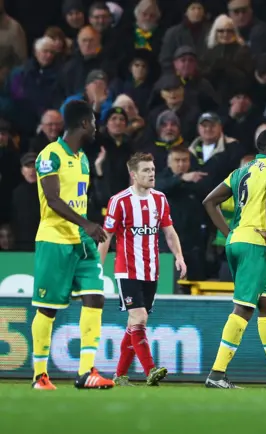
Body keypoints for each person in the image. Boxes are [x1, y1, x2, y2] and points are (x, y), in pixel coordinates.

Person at [201, 129, 266, 389]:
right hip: (255, 245)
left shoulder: (241, 171)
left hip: (236, 243)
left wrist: (230, 234)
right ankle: (216, 373)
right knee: (244, 308)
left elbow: (209, 201)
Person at [30, 100, 112, 390]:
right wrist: (87, 224)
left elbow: (79, 199)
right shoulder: (49, 155)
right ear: (84, 123)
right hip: (54, 240)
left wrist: (88, 227)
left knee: (95, 297)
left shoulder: (83, 159)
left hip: (81, 242)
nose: (97, 127)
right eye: (94, 121)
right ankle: (40, 375)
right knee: (48, 309)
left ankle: (86, 371)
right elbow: (52, 199)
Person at [98, 152, 187, 387]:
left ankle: (120, 375)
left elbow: (169, 231)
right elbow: (106, 236)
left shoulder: (160, 199)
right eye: (146, 170)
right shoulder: (119, 201)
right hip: (127, 270)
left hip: (151, 270)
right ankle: (151, 369)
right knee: (140, 317)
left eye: (152, 170)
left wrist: (179, 256)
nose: (151, 174)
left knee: (134, 324)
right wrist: (97, 267)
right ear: (133, 175)